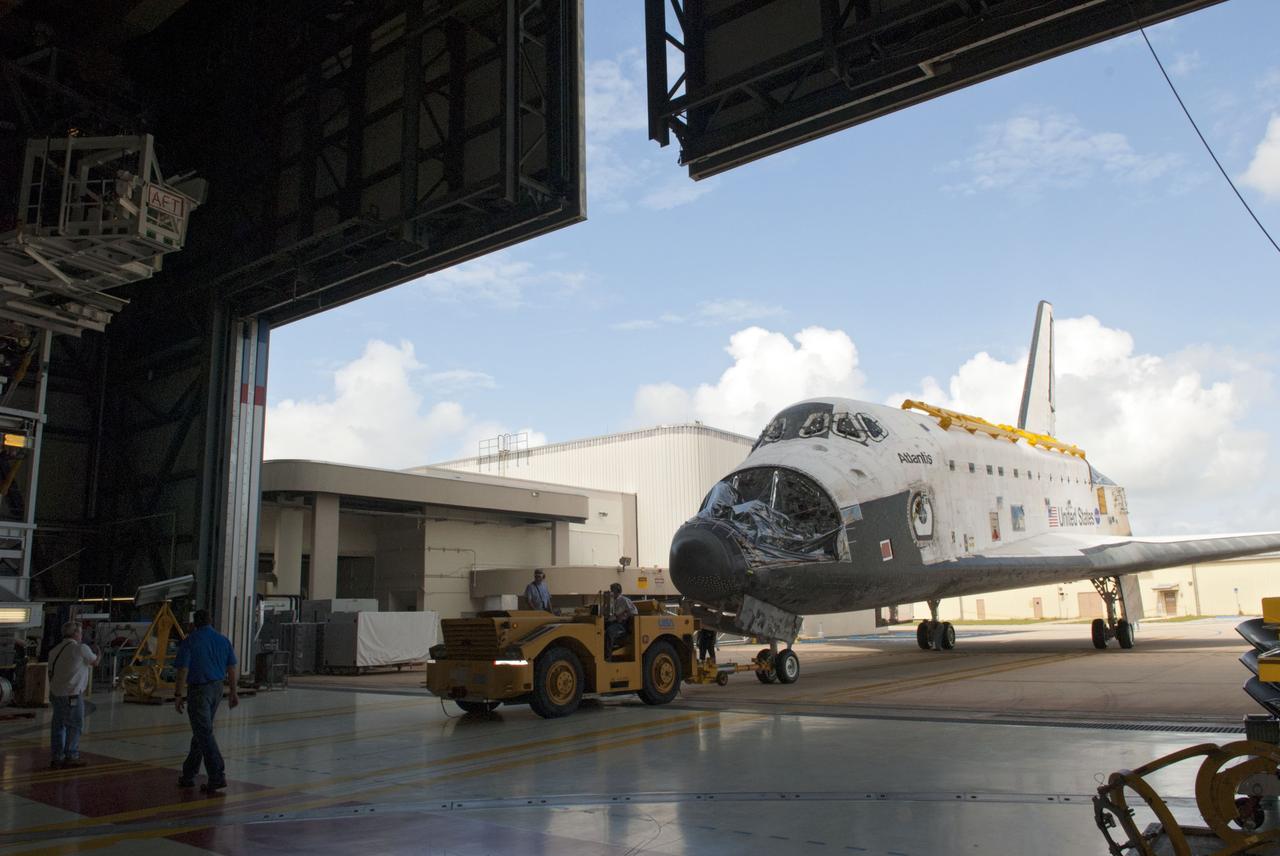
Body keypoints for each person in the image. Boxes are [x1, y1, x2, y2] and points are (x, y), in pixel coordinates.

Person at [174, 609, 239, 793]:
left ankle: (217, 775)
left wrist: (178, 694)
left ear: (195, 623)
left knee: (204, 733)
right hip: (217, 689)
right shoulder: (223, 640)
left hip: (199, 690)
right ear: (211, 621)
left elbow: (182, 670)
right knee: (201, 731)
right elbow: (232, 668)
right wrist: (233, 692)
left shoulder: (190, 641)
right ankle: (188, 774)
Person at [47, 620, 100, 769]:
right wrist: (98, 653)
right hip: (72, 694)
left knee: (58, 725)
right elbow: (95, 662)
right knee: (75, 724)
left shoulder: (55, 650)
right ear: (76, 633)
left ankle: (57, 757)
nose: (82, 635)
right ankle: (71, 755)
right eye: (81, 632)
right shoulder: (80, 648)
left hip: (56, 692)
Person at [605, 582, 637, 657]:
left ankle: (607, 656)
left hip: (621, 624)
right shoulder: (611, 601)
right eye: (611, 590)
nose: (611, 592)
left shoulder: (625, 600)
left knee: (609, 632)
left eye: (612, 590)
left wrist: (623, 615)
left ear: (618, 591)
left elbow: (634, 612)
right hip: (611, 622)